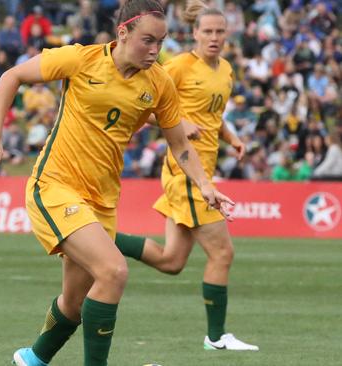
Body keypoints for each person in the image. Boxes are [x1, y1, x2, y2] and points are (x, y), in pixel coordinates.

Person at [0, 1, 233, 365]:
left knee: (75, 304)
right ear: (122, 33)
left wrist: (204, 185)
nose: (155, 50)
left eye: (162, 41)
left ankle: (31, 359)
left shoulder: (159, 83)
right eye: (148, 40)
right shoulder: (81, 59)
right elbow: (11, 76)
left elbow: (179, 144)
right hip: (55, 186)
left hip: (102, 200)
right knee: (113, 271)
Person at [114, 0, 259, 351]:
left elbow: (213, 114)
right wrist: (177, 123)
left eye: (219, 32)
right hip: (185, 171)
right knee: (223, 253)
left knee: (172, 261)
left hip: (204, 167)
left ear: (228, 34)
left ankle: (100, 239)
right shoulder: (177, 67)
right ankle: (216, 337)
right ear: (194, 33)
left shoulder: (225, 70)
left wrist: (231, 137)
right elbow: (143, 104)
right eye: (207, 31)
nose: (213, 37)